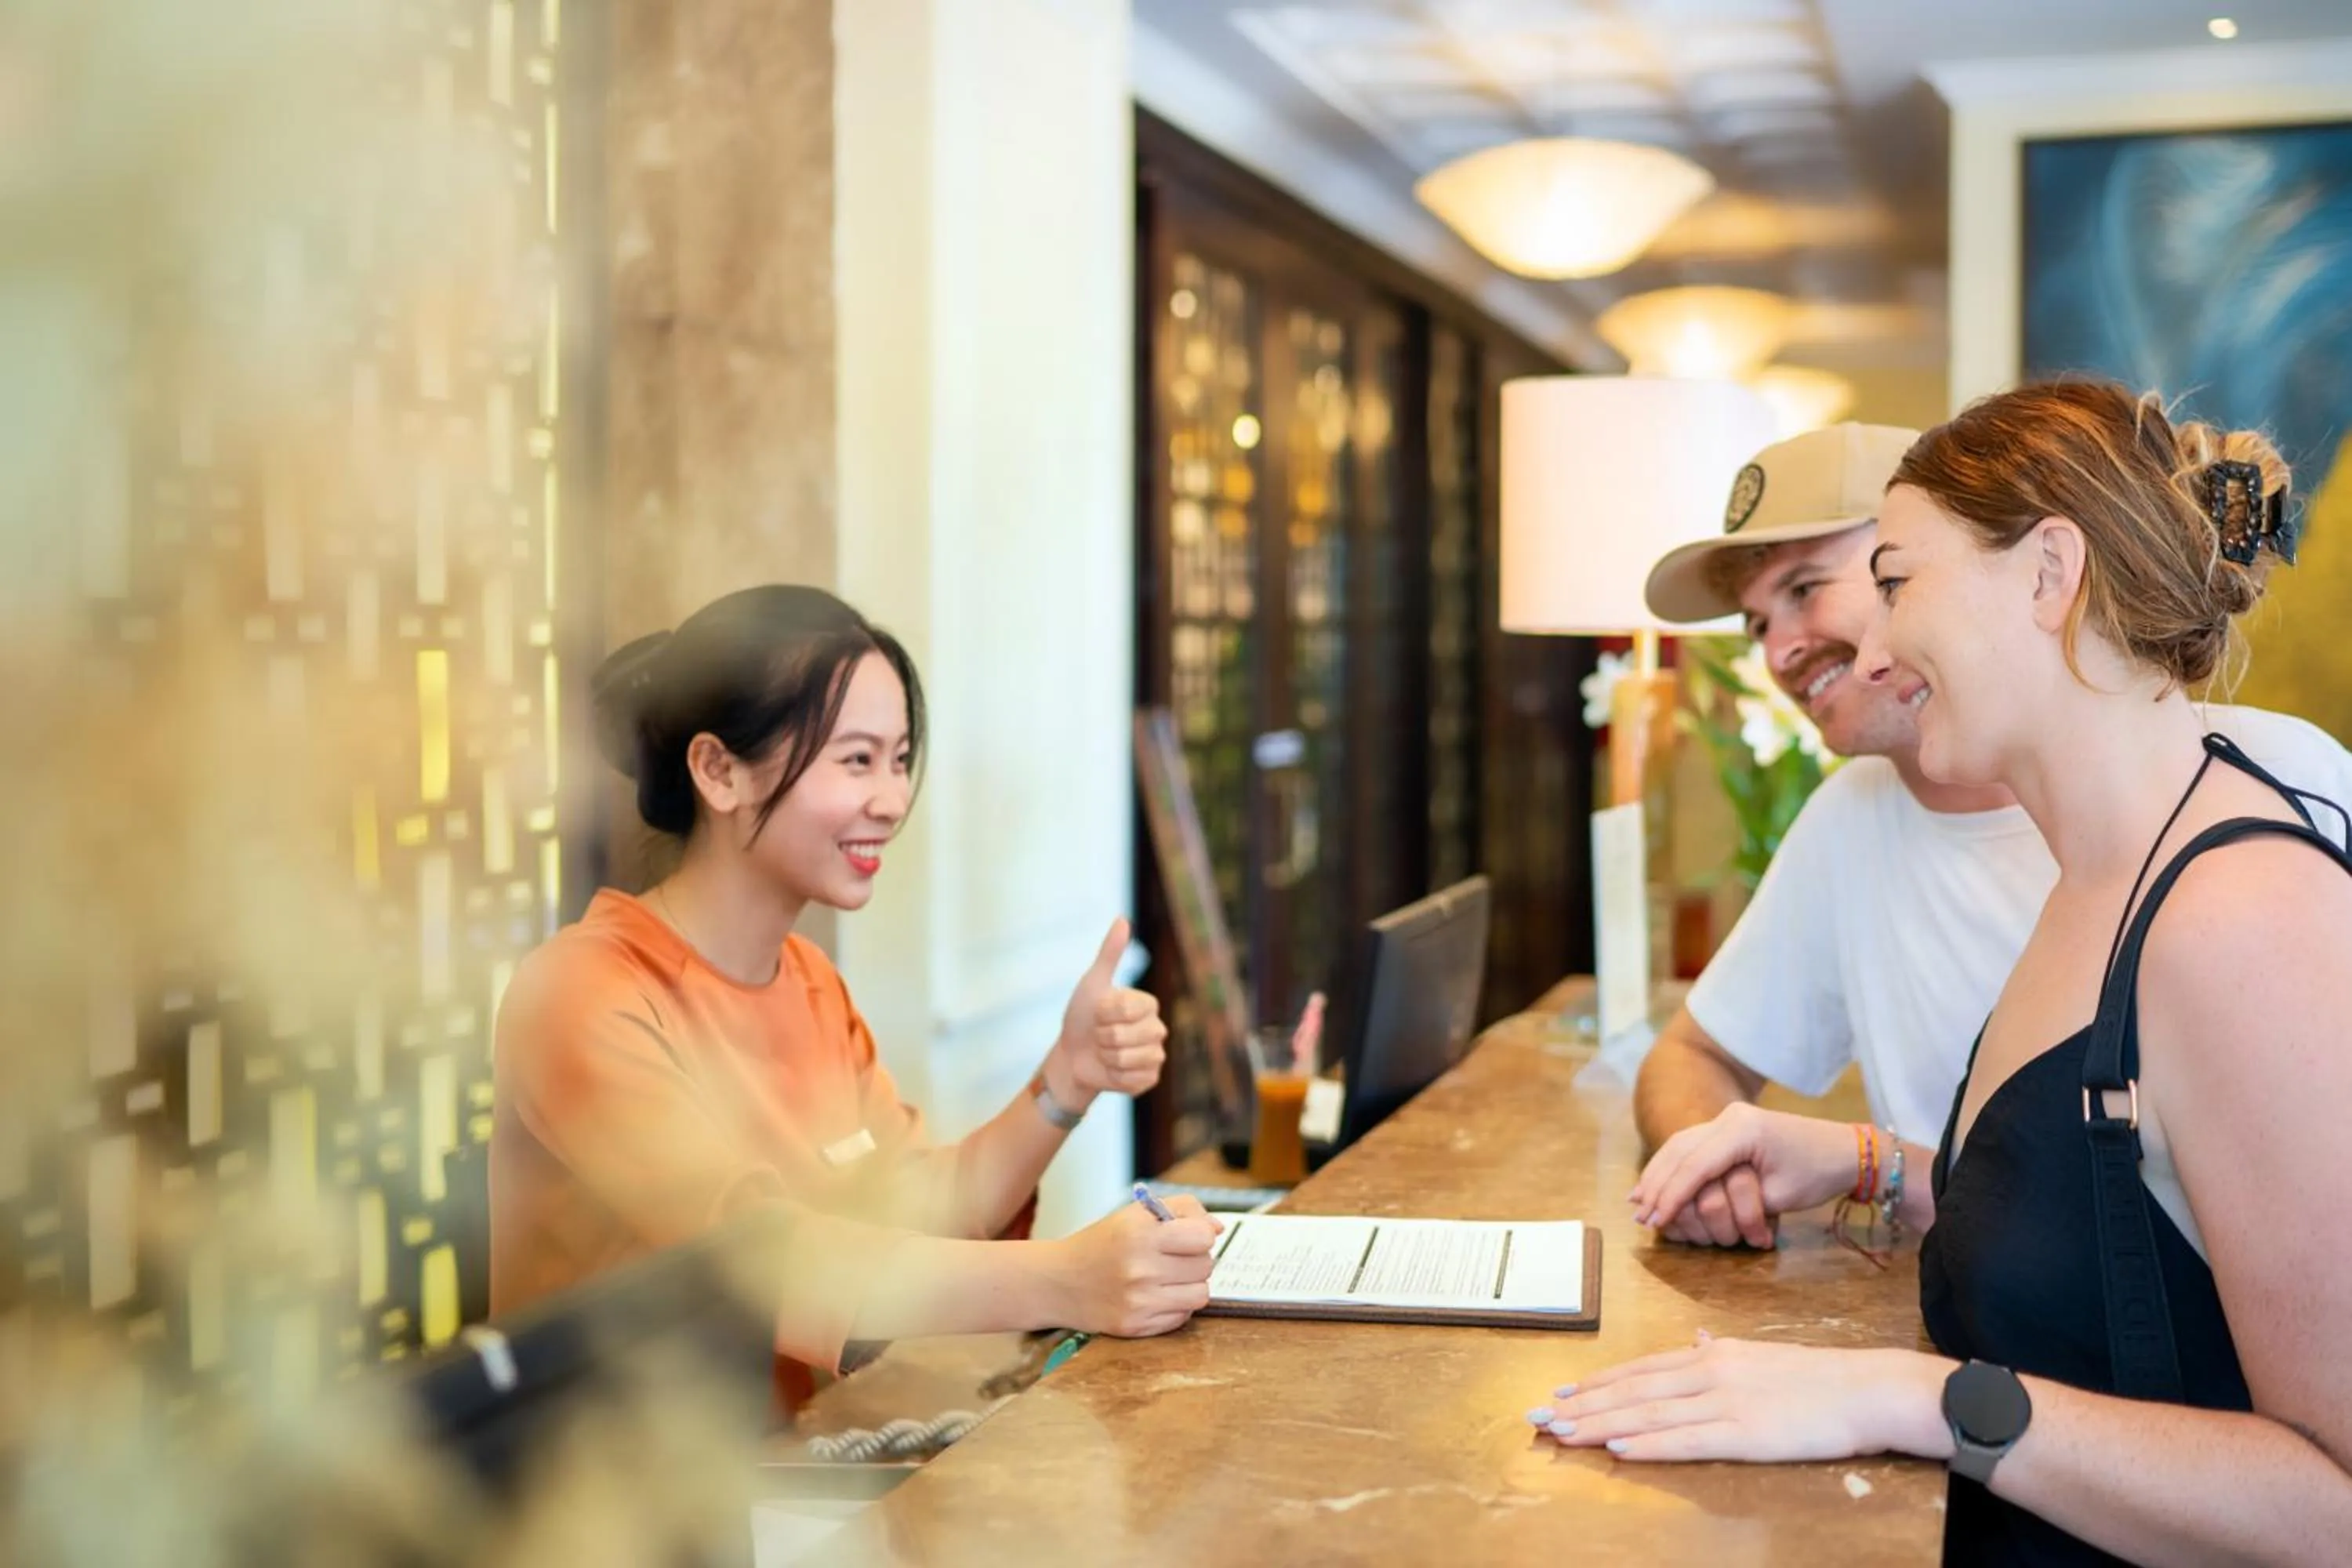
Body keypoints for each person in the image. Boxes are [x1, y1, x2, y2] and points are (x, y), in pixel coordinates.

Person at [1530, 381, 2352, 1563]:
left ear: (2050, 574)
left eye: (1897, 583)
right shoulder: (2092, 887)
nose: (1870, 649)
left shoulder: (2245, 915)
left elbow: (2334, 1500)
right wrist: (1867, 1165)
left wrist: (1910, 1399)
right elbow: (2106, 1229)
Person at [1629, 420, 2352, 1250]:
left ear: (2036, 572)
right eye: (1756, 626)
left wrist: (1876, 1165)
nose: (1781, 650)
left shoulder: (2272, 790)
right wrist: (1716, 1160)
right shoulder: (1849, 824)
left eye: (1809, 588)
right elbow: (1692, 1054)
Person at [491, 585, 1218, 1405]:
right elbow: (763, 1260)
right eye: (857, 759)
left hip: (791, 1454)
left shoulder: (808, 981)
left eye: (899, 759)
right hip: (614, 1479)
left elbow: (925, 1206)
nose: (893, 799)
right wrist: (1068, 1279)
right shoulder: (580, 993)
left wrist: (1067, 1078)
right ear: (718, 771)